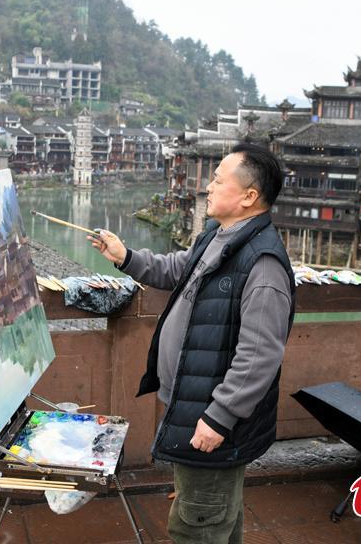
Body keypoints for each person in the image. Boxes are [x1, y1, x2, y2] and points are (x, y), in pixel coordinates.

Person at [89, 143, 295, 543]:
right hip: (193, 402)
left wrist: (219, 417)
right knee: (216, 514)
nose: (208, 187)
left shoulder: (263, 265)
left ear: (249, 196)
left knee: (198, 521)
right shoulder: (218, 235)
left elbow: (259, 357)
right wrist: (125, 256)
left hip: (213, 417)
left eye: (218, 180)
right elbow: (175, 269)